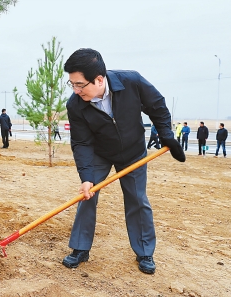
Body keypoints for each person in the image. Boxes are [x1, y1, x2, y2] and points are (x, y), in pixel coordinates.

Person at [62, 48, 185, 275]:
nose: (76, 90)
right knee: (87, 195)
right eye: (72, 84)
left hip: (133, 152)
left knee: (137, 199)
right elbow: (81, 143)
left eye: (80, 85)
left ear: (99, 79)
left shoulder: (131, 82)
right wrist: (87, 177)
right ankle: (80, 248)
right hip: (100, 153)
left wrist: (166, 133)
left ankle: (145, 251)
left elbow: (157, 105)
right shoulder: (76, 105)